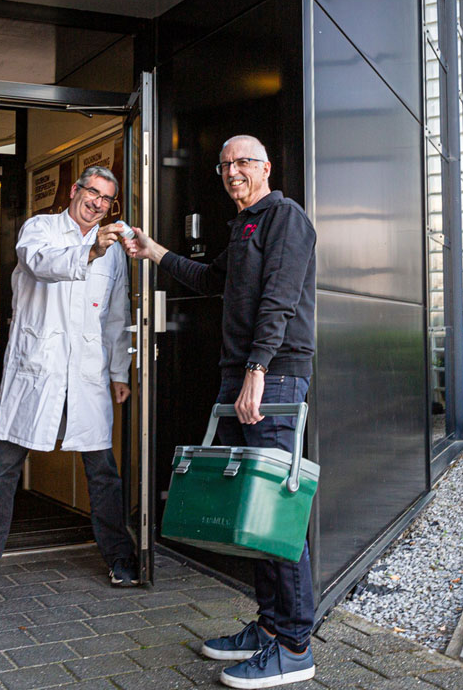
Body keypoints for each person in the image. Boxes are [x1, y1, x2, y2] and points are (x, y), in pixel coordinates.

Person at [123, 135, 317, 689]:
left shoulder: (285, 217)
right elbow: (212, 280)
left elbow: (280, 296)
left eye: (244, 163)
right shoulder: (245, 225)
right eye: (226, 164)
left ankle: (297, 647)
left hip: (272, 375)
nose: (234, 171)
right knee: (249, 508)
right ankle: (270, 627)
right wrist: (154, 251)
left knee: (278, 512)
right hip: (244, 374)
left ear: (266, 167)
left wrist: (257, 369)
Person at [0, 165, 139, 590]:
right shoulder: (41, 229)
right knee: (3, 466)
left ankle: (119, 556)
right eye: (93, 193)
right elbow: (42, 264)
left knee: (102, 470)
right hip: (40, 369)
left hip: (86, 373)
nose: (98, 204)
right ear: (75, 190)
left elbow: (115, 315)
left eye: (107, 200)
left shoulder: (114, 251)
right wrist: (90, 253)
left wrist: (118, 371)